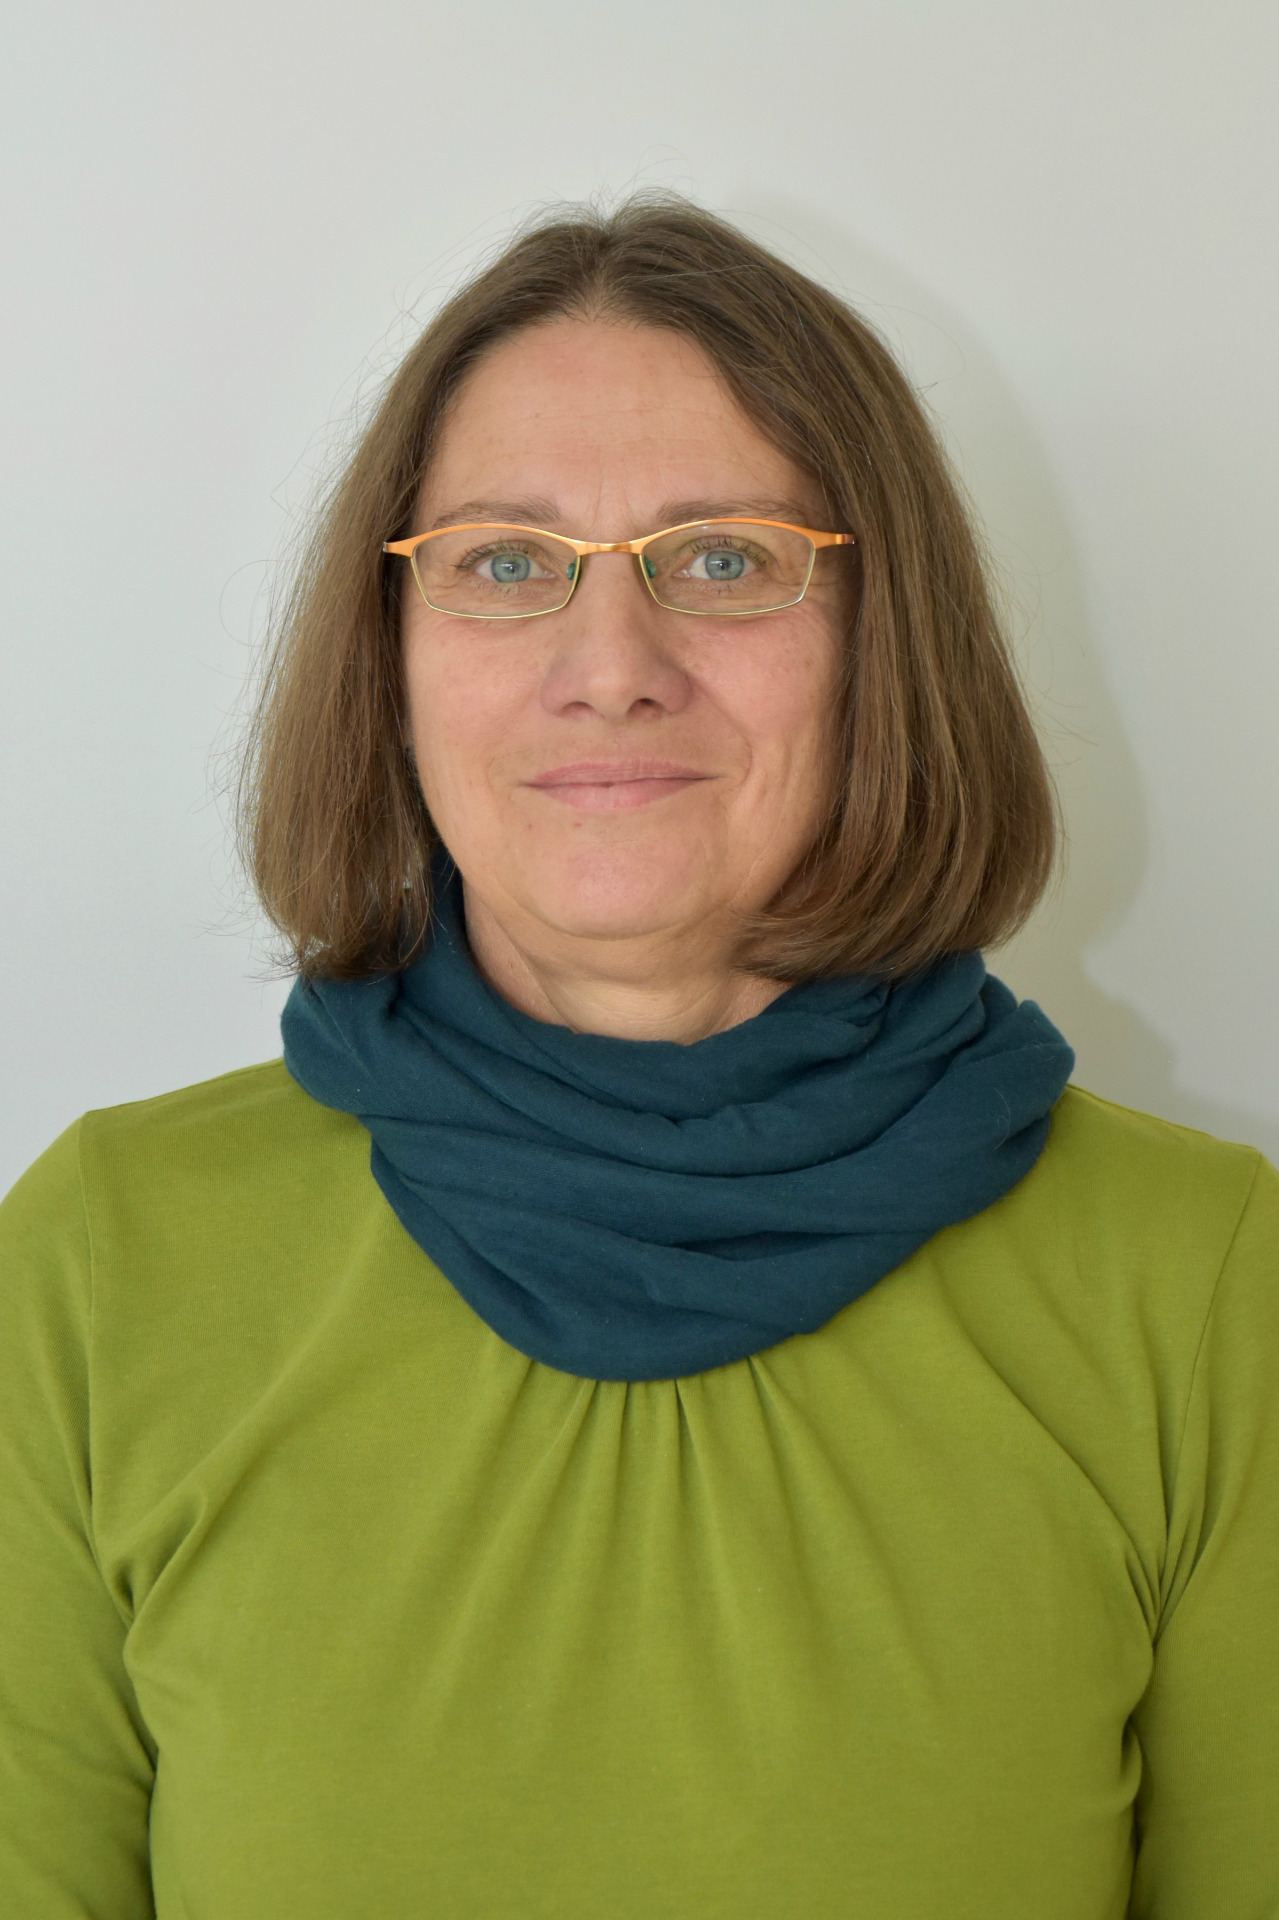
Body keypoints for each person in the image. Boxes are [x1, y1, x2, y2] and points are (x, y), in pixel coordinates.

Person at [1, 196, 1275, 1919]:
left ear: (884, 641)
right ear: (392, 656)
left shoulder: (1202, 1289)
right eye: (504, 562)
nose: (611, 669)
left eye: (726, 559)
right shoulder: (102, 1269)